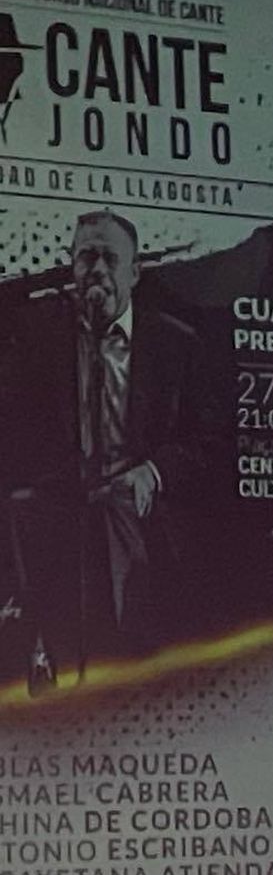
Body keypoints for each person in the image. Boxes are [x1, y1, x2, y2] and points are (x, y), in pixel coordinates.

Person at [0, 209, 202, 691]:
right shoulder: (35, 338)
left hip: (134, 506)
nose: (97, 270)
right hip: (55, 507)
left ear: (134, 272)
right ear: (71, 267)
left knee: (131, 637)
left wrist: (151, 474)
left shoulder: (176, 345)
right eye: (86, 257)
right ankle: (47, 664)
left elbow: (207, 441)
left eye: (110, 258)